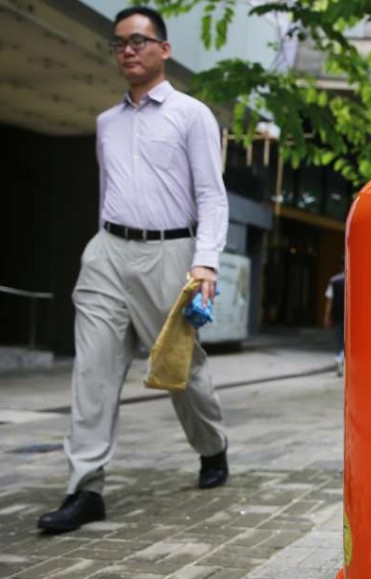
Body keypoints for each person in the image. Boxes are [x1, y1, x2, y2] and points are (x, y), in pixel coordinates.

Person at [37, 6, 230, 533]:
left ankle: (212, 446)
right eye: (119, 43)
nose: (127, 50)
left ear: (163, 49)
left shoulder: (191, 114)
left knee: (181, 370)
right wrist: (101, 247)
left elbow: (212, 197)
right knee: (92, 371)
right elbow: (109, 193)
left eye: (139, 41)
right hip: (107, 253)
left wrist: (205, 262)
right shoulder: (106, 123)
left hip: (170, 254)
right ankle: (84, 487)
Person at [323, 270, 346, 376]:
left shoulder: (334, 281)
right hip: (353, 318)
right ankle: (343, 360)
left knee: (340, 341)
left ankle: (339, 359)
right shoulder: (357, 280)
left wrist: (327, 317)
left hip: (338, 316)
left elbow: (329, 301)